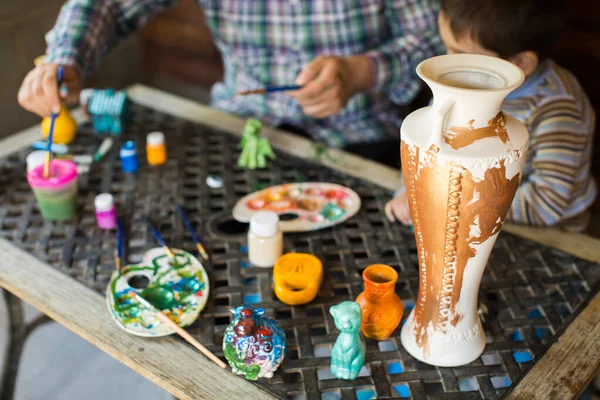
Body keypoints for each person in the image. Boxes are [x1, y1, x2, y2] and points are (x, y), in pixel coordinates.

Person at [17, 0, 444, 163]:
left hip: (364, 136)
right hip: (241, 125)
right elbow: (105, 5)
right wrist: (64, 62)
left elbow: (434, 39)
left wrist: (362, 71)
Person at [385, 0, 597, 232]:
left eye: (461, 56)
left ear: (520, 63)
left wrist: (452, 202)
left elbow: (545, 203)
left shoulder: (557, 110)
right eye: (447, 48)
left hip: (549, 235)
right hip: (465, 212)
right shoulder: (459, 84)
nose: (447, 63)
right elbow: (428, 151)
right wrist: (411, 191)